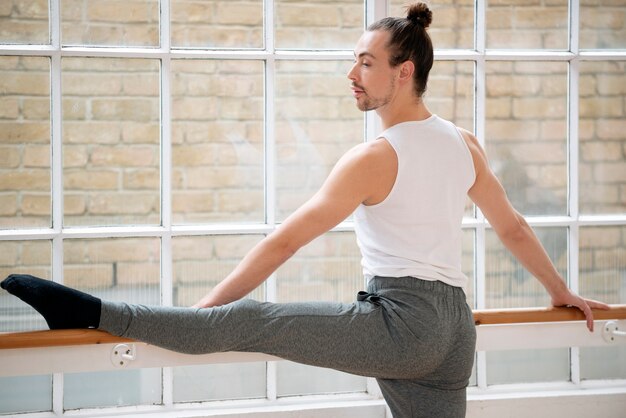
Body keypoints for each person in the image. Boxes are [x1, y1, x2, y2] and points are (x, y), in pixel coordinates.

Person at [1, 3, 609, 417]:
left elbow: (284, 243)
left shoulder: (375, 156)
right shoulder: (462, 142)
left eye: (366, 63)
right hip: (453, 330)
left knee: (256, 317)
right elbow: (513, 227)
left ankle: (88, 309)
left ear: (404, 72)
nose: (352, 74)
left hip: (406, 321)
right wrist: (563, 291)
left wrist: (205, 317)